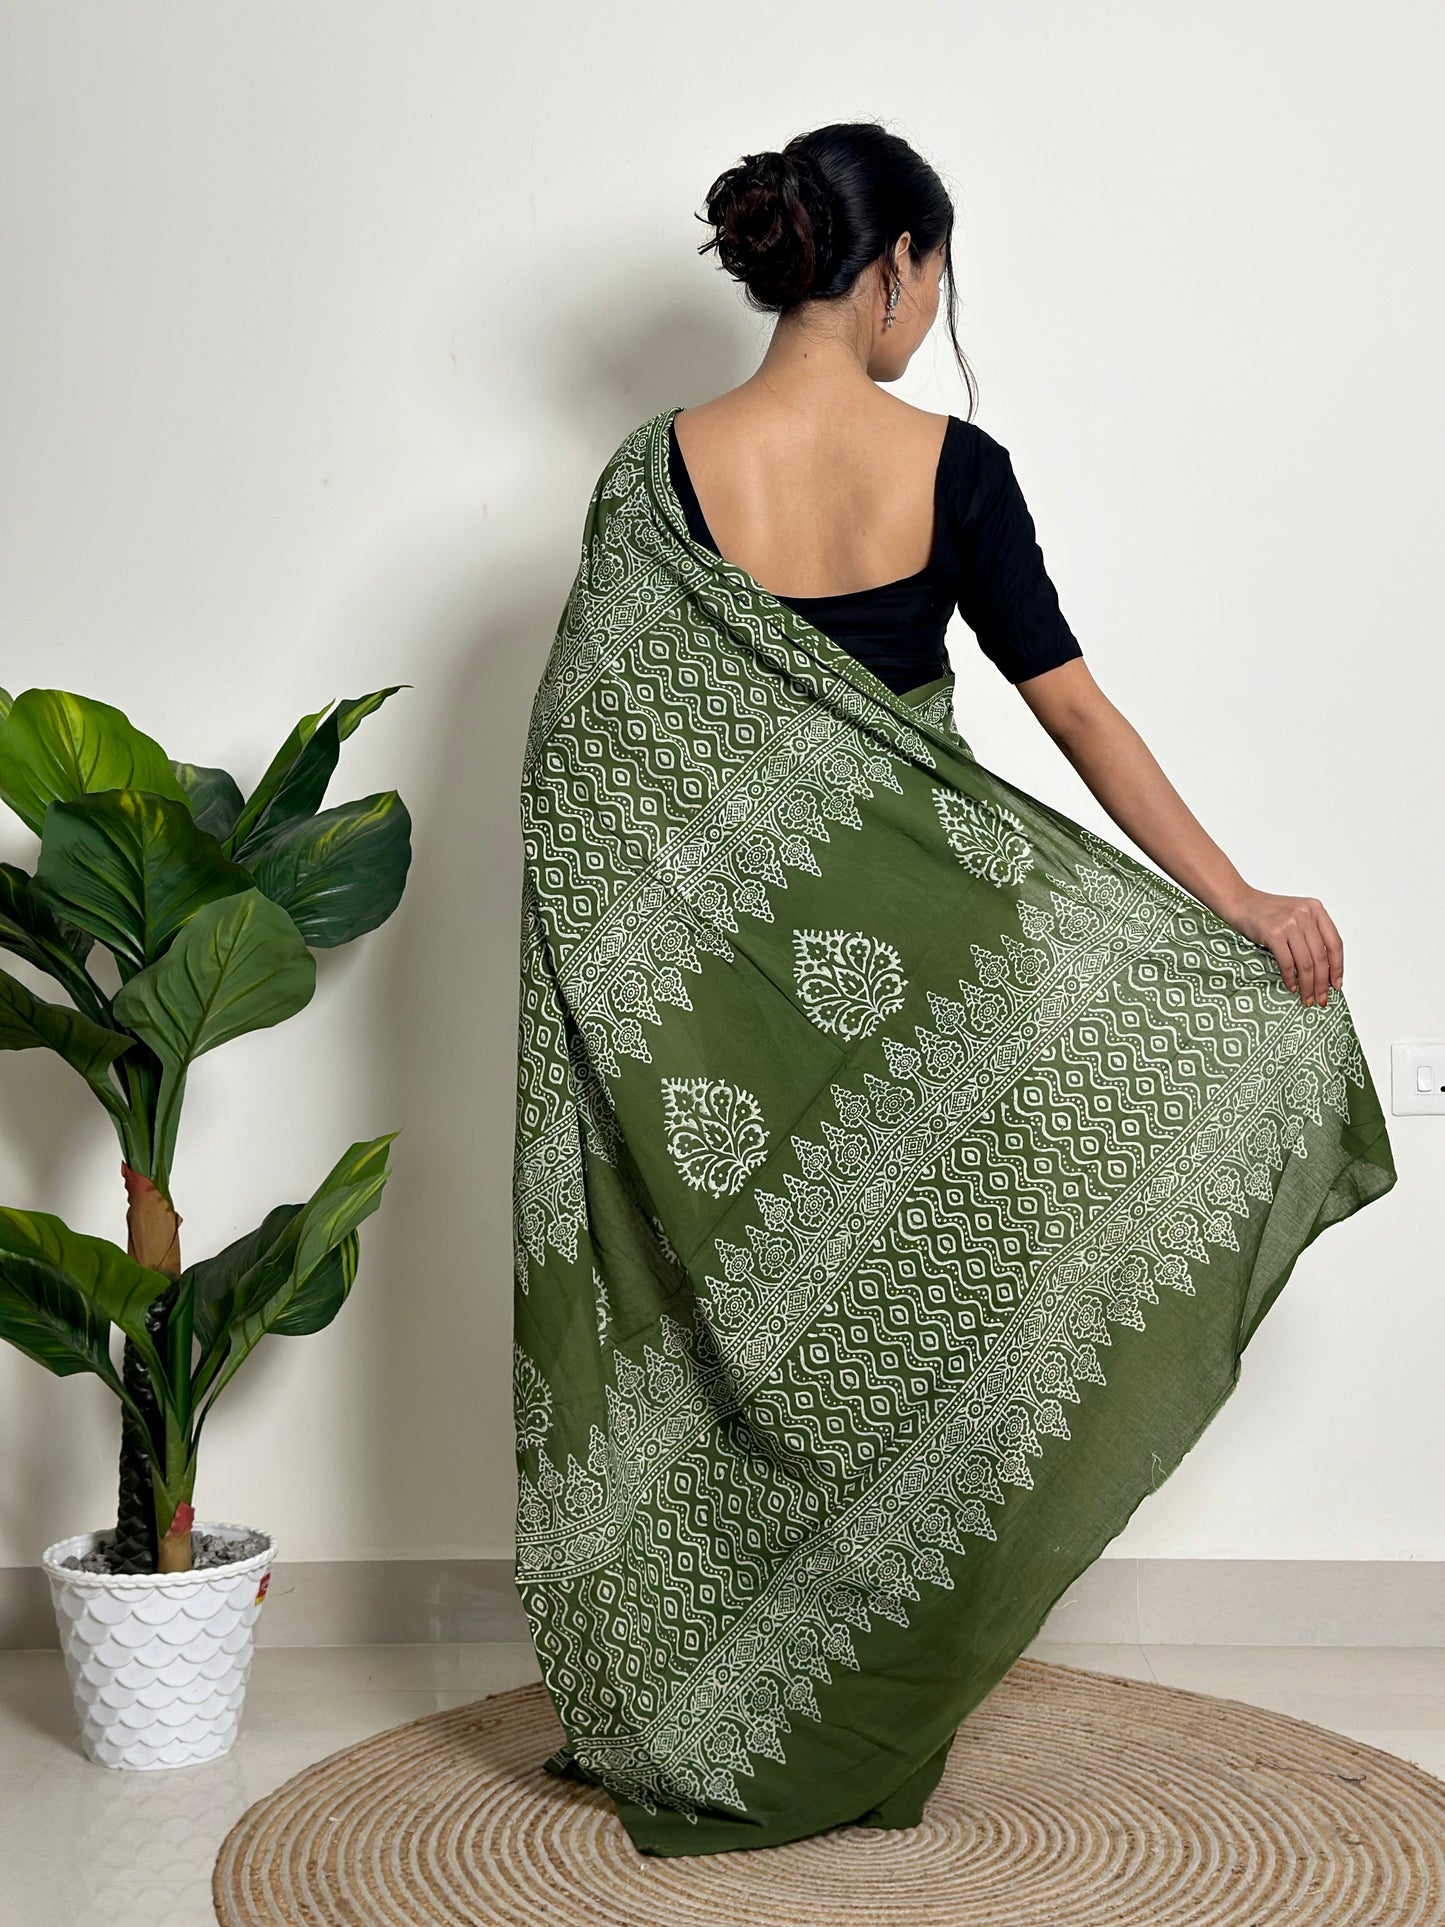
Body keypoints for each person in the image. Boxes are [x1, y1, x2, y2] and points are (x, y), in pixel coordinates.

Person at [511, 120, 1397, 1858]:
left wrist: (628, 978)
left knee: (731, 1333)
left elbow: (583, 773)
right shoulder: (953, 467)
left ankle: (725, 1698)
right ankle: (861, 1702)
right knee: (913, 1331)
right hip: (932, 969)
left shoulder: (649, 478)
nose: (933, 310)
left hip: (710, 1001)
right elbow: (1069, 706)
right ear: (898, 262)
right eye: (938, 276)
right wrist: (1233, 902)